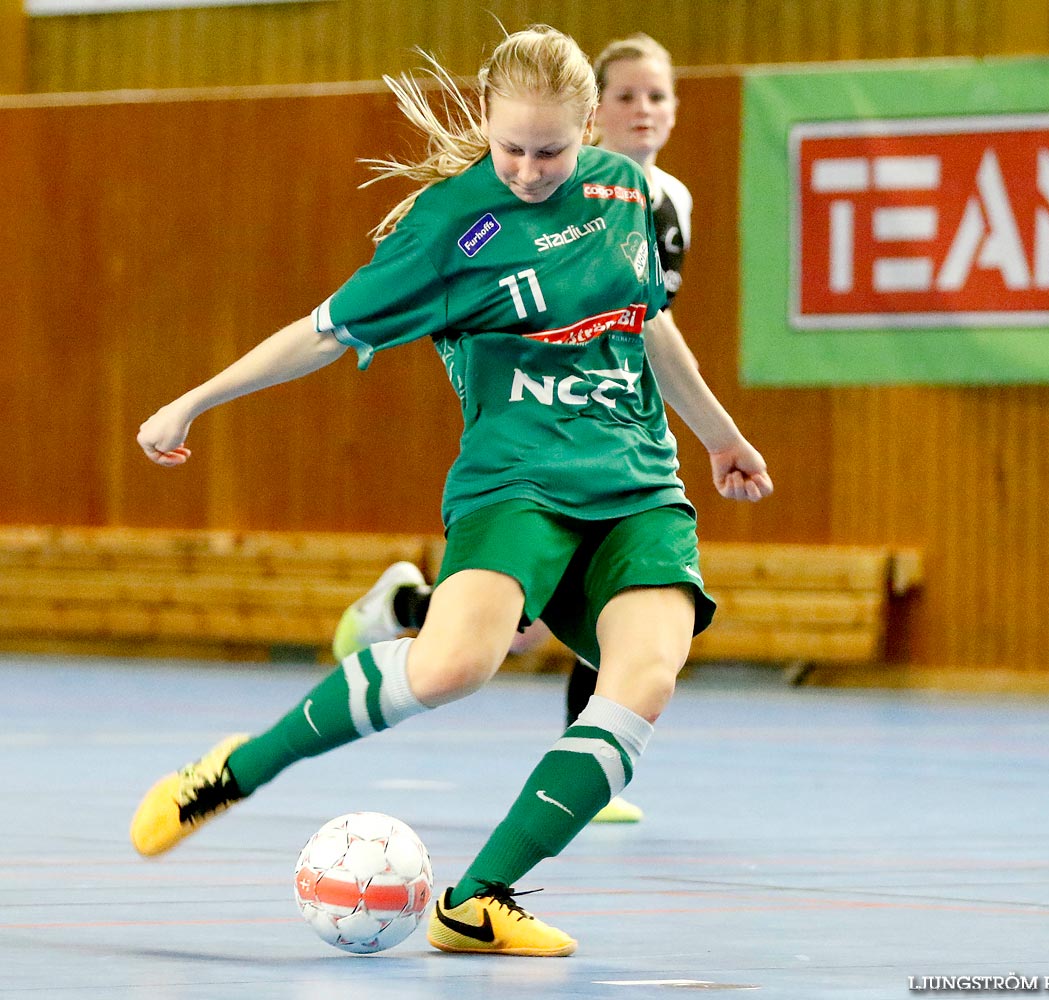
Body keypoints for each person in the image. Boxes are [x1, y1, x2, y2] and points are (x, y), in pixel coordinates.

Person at [130, 25, 772, 958]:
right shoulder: (446, 227)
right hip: (514, 484)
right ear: (485, 120)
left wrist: (721, 438)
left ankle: (478, 902)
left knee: (645, 679)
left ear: (588, 126)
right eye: (509, 145)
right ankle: (237, 768)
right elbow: (318, 333)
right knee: (450, 668)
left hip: (639, 483)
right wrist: (191, 403)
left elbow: (650, 325)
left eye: (549, 149)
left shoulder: (626, 190)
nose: (525, 167)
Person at [332, 35, 697, 826]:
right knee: (511, 630)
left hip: (613, 426)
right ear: (595, 112)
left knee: (596, 614)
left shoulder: (652, 199)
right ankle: (400, 614)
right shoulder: (515, 199)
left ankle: (583, 747)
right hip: (527, 429)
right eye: (628, 96)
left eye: (657, 96)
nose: (644, 110)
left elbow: (646, 324)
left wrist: (708, 431)